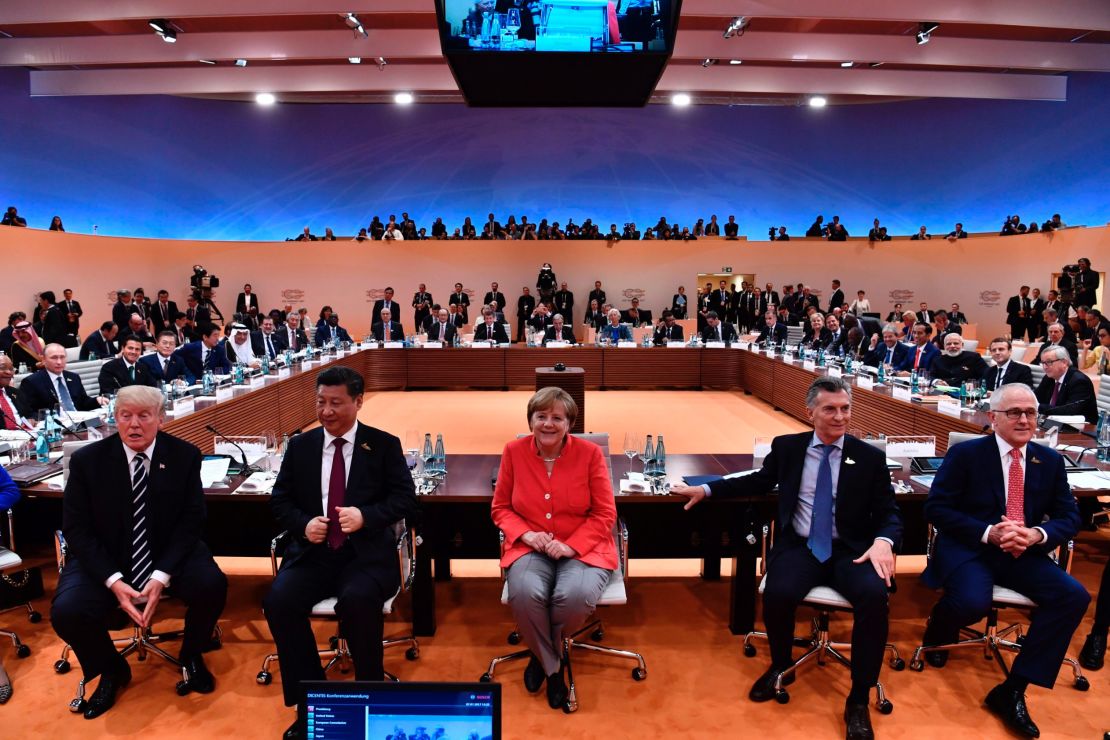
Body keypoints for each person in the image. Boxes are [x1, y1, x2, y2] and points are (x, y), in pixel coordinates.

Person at [671, 376, 900, 739]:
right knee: (777, 593)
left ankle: (858, 697)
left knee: (875, 597)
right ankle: (781, 664)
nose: (840, 417)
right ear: (810, 412)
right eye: (830, 409)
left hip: (851, 551)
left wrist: (885, 540)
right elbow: (757, 481)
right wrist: (708, 488)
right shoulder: (789, 448)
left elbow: (889, 511)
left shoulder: (870, 457)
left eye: (845, 409)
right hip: (802, 546)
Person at [920, 383, 1087, 738]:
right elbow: (936, 508)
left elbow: (1070, 517)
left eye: (1031, 413)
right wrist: (987, 532)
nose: (1025, 420)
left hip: (1022, 551)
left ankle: (1013, 689)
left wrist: (1036, 535)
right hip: (972, 547)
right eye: (1015, 412)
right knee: (970, 602)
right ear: (993, 418)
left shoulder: (1050, 461)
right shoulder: (967, 455)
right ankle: (941, 625)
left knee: (1074, 596)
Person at [51, 386, 227, 718]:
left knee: (212, 585)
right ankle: (111, 668)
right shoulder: (87, 461)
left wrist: (161, 576)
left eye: (144, 416)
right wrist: (114, 581)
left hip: (166, 552)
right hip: (106, 555)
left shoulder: (185, 455)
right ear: (114, 418)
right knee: (67, 611)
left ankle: (192, 653)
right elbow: (77, 530)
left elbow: (191, 522)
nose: (134, 425)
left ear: (161, 418)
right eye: (125, 416)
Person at [264, 367, 417, 737]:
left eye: (336, 403)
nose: (326, 411)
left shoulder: (382, 445)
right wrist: (302, 524)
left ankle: (371, 700)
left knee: (358, 602)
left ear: (358, 402)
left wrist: (365, 516)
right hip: (313, 553)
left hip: (365, 556)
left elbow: (405, 500)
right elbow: (279, 500)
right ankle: (314, 705)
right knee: (279, 602)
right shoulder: (301, 446)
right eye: (320, 402)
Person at [491, 387, 616, 710]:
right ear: (531, 420)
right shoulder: (513, 451)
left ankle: (539, 649)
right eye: (541, 416)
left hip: (584, 547)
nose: (548, 423)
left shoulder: (589, 454)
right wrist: (527, 535)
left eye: (557, 418)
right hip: (531, 547)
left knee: (573, 597)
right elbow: (501, 508)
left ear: (569, 423)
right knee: (524, 592)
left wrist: (572, 545)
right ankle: (553, 667)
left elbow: (605, 513)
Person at [19, 343, 106, 414]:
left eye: (62, 357)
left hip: (80, 421)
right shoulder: (31, 382)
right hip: (55, 425)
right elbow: (29, 412)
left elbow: (83, 402)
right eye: (54, 358)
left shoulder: (73, 377)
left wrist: (97, 400)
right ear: (44, 360)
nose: (59, 362)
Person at [1034, 345, 1098, 423]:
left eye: (1049, 362)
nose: (1044, 367)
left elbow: (1069, 410)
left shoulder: (1079, 381)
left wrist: (1038, 407)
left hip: (1081, 428)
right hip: (1053, 423)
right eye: (1043, 363)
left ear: (1064, 362)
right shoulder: (1049, 378)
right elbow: (1036, 397)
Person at [0, 355, 32, 431]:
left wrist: (31, 419)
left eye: (11, 369)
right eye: (2, 368)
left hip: (25, 437)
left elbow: (30, 413)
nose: (9, 372)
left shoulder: (16, 393)